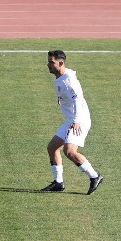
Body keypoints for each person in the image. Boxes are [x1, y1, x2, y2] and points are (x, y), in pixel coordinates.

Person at [40, 48, 103, 194]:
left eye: (51, 62)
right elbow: (78, 94)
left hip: (79, 121)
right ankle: (58, 182)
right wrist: (62, 99)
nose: (48, 65)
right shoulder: (61, 77)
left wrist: (76, 120)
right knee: (52, 147)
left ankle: (95, 176)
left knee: (70, 151)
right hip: (72, 119)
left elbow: (78, 99)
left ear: (61, 62)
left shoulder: (69, 81)